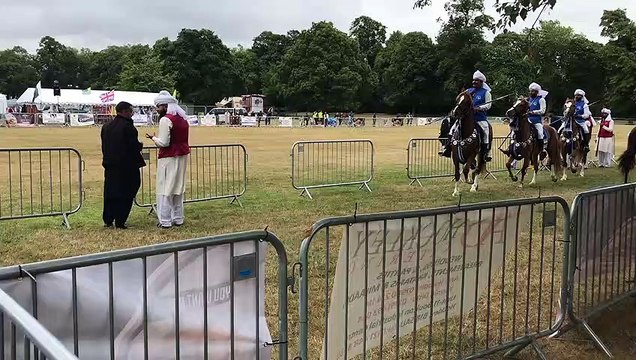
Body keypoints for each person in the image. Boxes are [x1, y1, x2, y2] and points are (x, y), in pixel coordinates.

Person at [146, 90, 190, 229]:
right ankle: (178, 218)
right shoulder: (183, 119)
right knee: (177, 187)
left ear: (165, 106)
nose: (157, 109)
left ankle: (165, 219)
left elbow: (164, 142)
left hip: (168, 157)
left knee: (165, 187)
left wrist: (153, 138)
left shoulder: (166, 120)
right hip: (182, 155)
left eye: (158, 106)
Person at [101, 101, 146, 229]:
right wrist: (140, 145)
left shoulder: (106, 126)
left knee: (110, 192)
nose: (132, 114)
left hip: (110, 165)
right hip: (127, 166)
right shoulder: (128, 127)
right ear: (125, 111)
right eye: (130, 111)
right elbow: (133, 146)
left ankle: (108, 219)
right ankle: (120, 220)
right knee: (127, 191)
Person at [440, 70, 493, 161]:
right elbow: (460, 99)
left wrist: (478, 108)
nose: (474, 82)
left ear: (481, 82)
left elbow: (489, 105)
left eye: (476, 80)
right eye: (473, 80)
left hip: (479, 118)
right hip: (466, 117)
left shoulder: (486, 93)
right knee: (452, 129)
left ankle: (486, 152)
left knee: (486, 132)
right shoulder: (469, 91)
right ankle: (447, 148)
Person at [528, 82, 549, 159]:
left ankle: (542, 149)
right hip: (528, 120)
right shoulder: (528, 99)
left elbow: (543, 111)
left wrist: (533, 112)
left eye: (533, 91)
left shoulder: (541, 99)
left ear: (537, 92)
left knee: (540, 134)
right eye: (531, 91)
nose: (531, 92)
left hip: (537, 120)